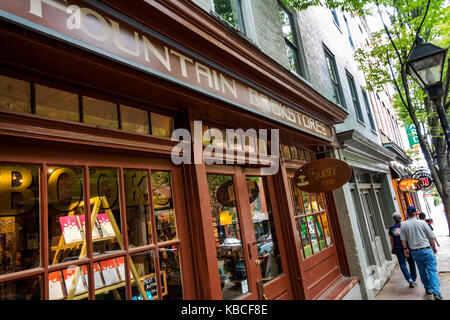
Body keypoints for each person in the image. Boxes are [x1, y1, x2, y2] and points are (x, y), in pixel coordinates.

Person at [400, 206, 442, 300]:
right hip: (427, 249)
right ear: (416, 213)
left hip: (415, 251)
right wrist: (434, 247)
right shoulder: (423, 223)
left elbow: (403, 240)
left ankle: (428, 289)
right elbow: (431, 236)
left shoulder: (404, 225)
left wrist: (405, 249)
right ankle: (436, 292)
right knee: (432, 270)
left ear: (407, 213)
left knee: (422, 270)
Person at [389, 213, 417, 288]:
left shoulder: (392, 228)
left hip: (398, 248)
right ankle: (414, 279)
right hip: (408, 247)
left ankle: (409, 278)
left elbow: (391, 239)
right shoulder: (405, 226)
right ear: (400, 218)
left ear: (394, 219)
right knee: (411, 262)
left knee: (402, 263)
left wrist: (393, 248)